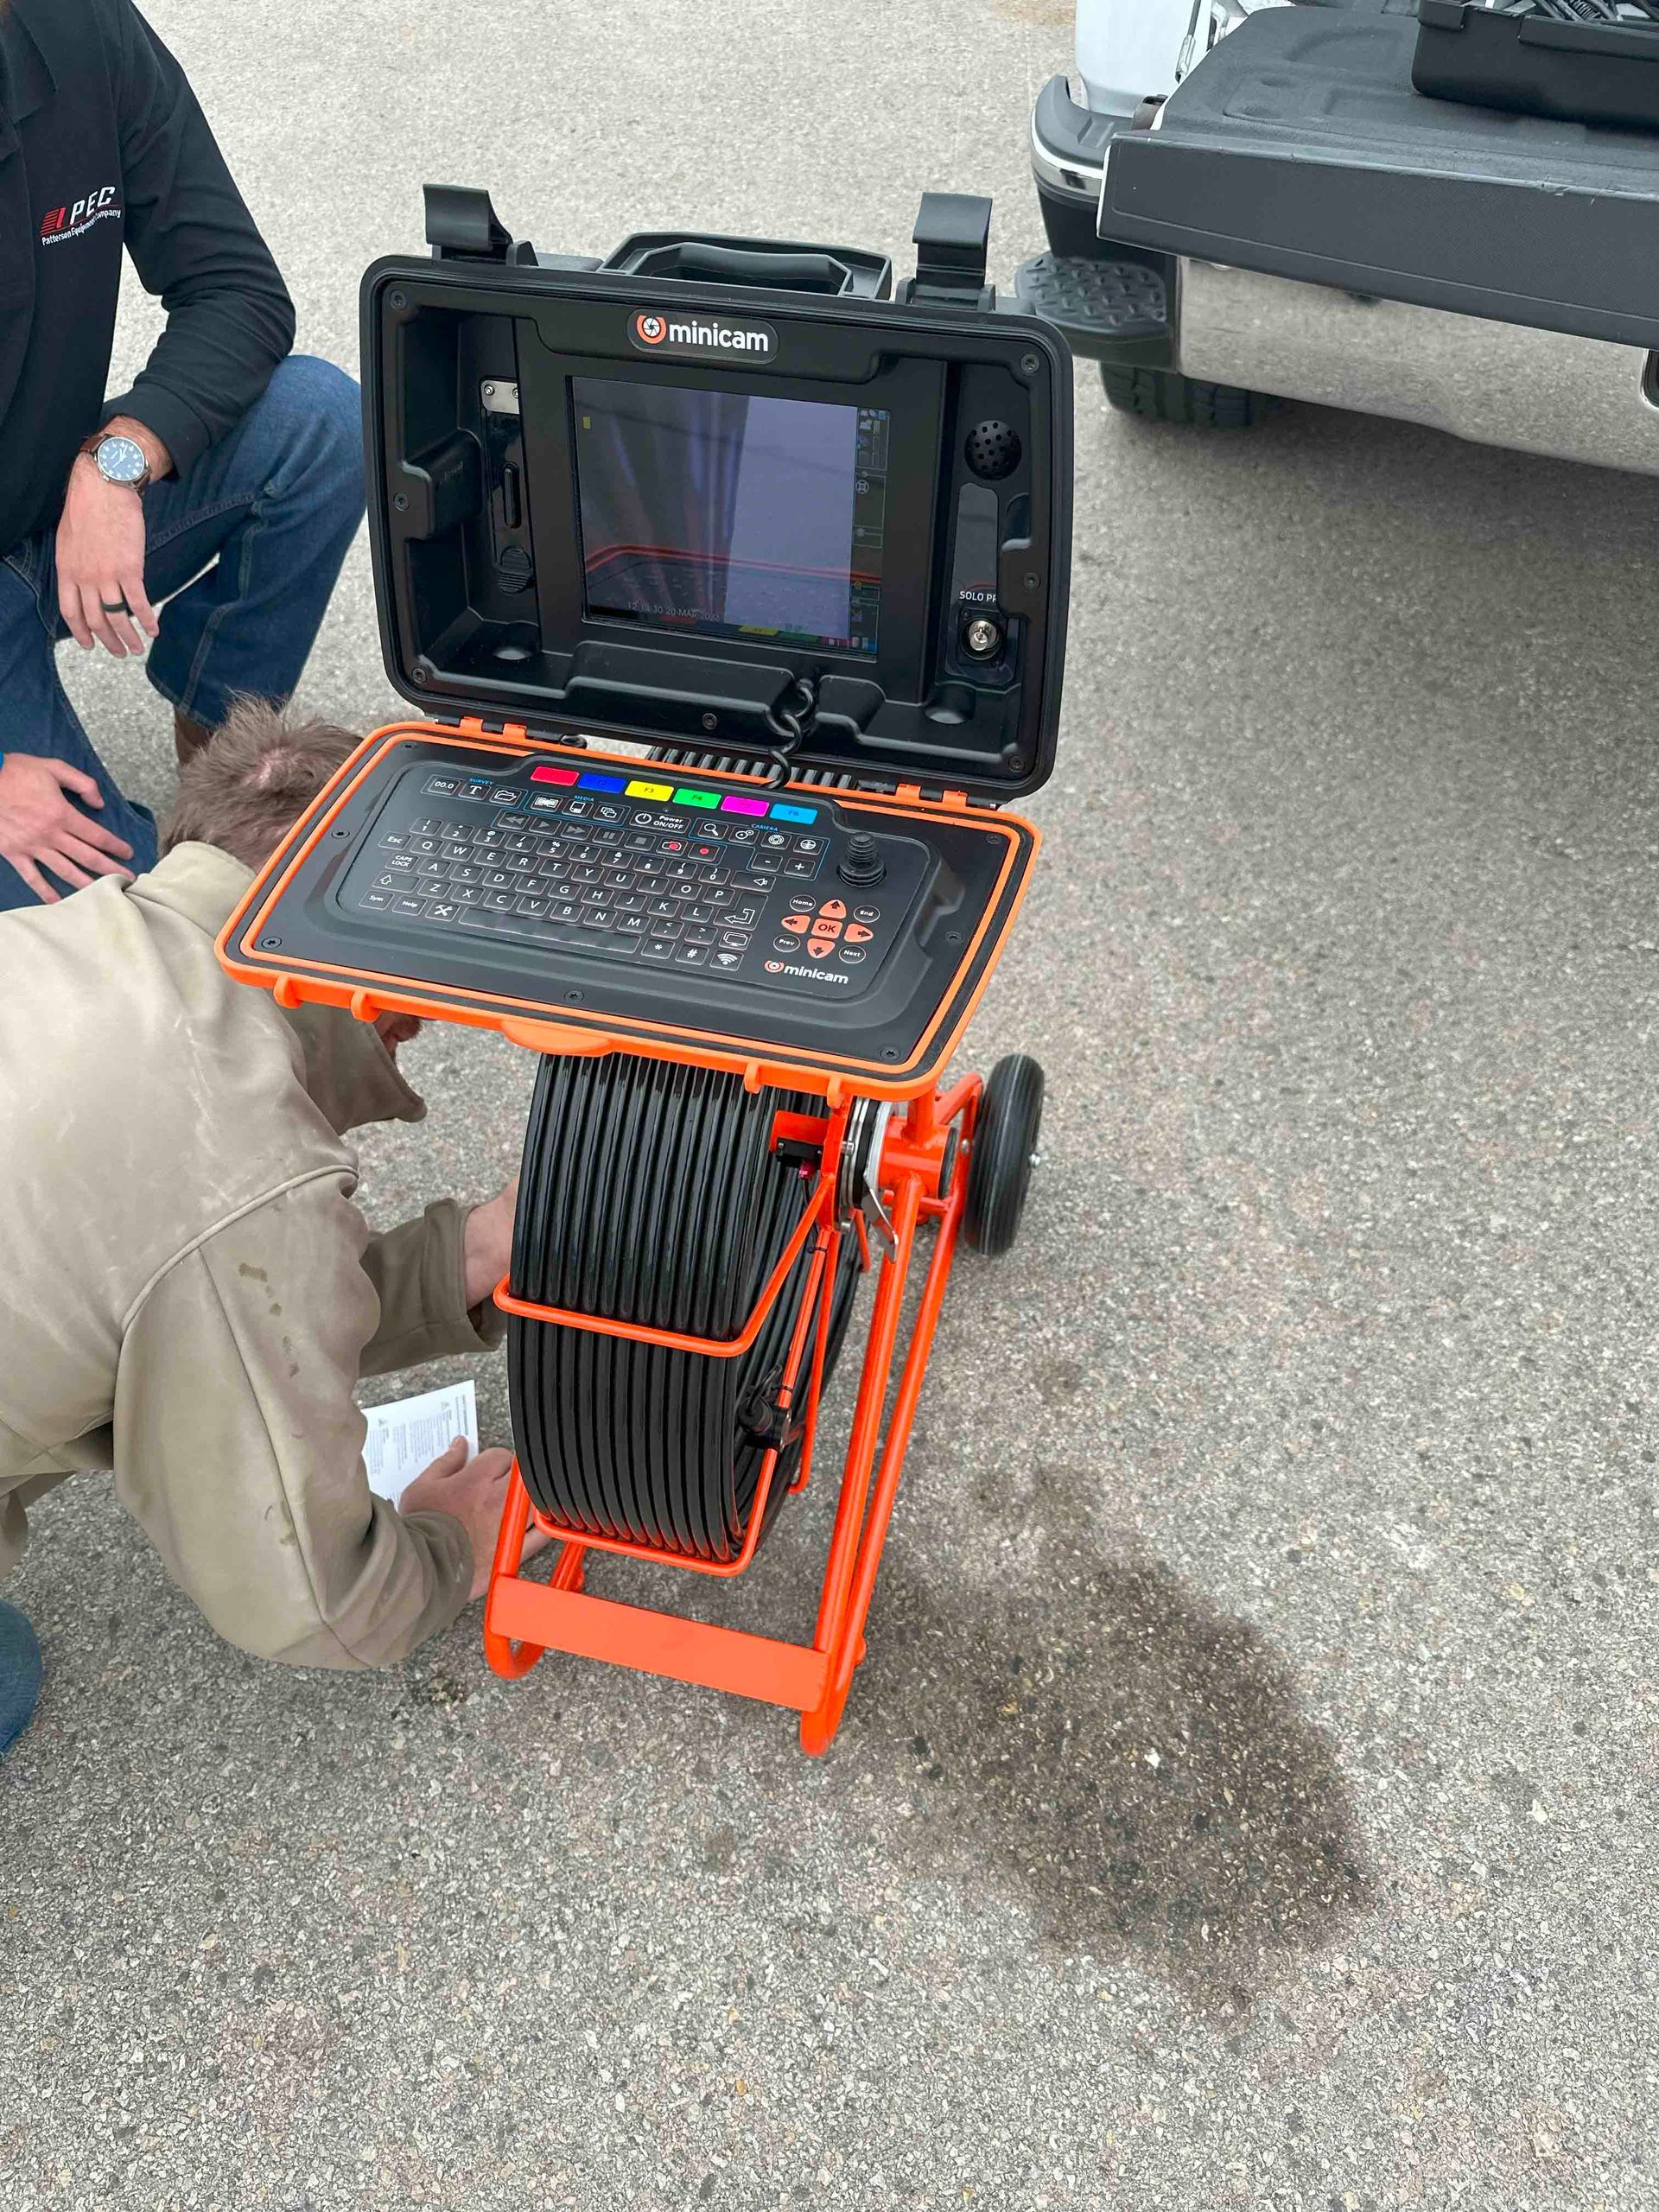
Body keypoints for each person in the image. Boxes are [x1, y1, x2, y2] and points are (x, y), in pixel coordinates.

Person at [0, 701, 549, 1757]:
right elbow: (308, 1596)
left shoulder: (47, 937)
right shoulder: (238, 1160)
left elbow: (174, 1272)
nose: (419, 1024)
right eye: (417, 995)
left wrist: (467, 1253)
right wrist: (448, 1546)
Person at [0, 0, 364, 912]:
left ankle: (223, 778)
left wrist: (115, 463)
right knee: (131, 926)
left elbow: (235, 289)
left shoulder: (77, 28)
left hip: (41, 503)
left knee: (319, 422)